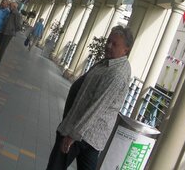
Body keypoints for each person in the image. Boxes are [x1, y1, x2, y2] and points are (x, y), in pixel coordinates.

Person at [46, 25, 133, 170]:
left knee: (55, 166)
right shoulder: (109, 63)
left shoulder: (117, 74)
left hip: (82, 133)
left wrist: (73, 135)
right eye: (108, 41)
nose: (108, 46)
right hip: (89, 134)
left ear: (126, 49)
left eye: (114, 44)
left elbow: (96, 108)